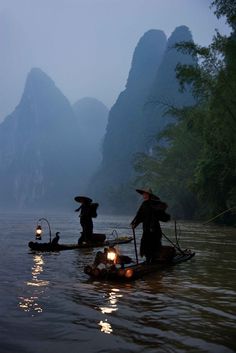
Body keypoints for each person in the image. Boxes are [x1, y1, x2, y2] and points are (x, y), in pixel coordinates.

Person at [131, 188, 170, 264]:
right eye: (143, 194)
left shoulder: (155, 203)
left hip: (154, 229)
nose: (143, 195)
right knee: (145, 244)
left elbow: (163, 209)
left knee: (154, 244)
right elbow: (139, 216)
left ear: (149, 195)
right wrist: (134, 224)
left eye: (145, 194)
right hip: (146, 228)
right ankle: (148, 259)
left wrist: (156, 209)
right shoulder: (144, 204)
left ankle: (153, 259)